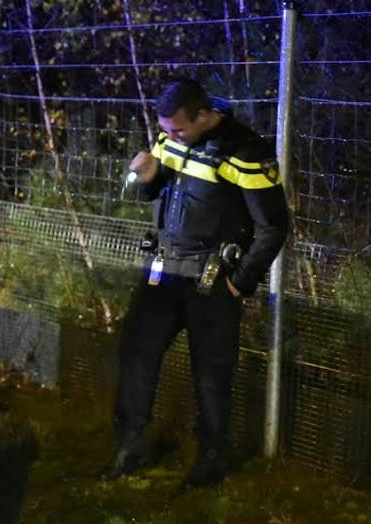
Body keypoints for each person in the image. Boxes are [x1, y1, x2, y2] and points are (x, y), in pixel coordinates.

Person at [104, 77, 290, 486]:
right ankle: (130, 445)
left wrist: (239, 283)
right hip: (163, 271)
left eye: (178, 130)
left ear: (204, 116)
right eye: (166, 130)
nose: (170, 137)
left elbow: (274, 226)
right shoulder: (171, 136)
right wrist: (148, 178)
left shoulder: (245, 152)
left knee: (210, 374)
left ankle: (210, 460)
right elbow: (155, 193)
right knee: (136, 354)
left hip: (212, 283)